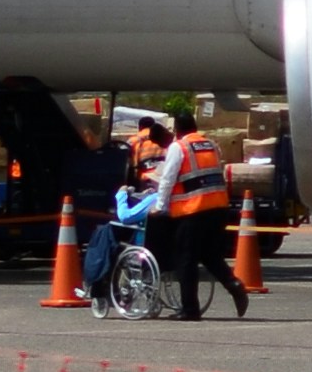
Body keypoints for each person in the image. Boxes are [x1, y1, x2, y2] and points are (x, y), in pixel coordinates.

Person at [151, 112, 245, 321]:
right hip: (218, 208)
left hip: (193, 210)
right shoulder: (210, 144)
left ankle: (190, 310)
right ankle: (234, 285)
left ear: (176, 129)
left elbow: (167, 179)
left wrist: (160, 206)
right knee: (208, 254)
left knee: (186, 259)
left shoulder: (179, 147)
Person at [83, 124, 165, 301]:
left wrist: (121, 195)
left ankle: (97, 283)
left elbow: (125, 217)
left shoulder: (155, 199)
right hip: (168, 247)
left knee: (106, 232)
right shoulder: (179, 199)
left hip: (146, 243)